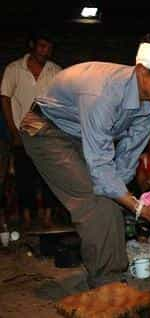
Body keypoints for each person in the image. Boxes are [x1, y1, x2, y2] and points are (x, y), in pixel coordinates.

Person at [19, 31, 150, 287]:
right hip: (45, 129)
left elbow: (129, 152)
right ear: (141, 71)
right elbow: (101, 169)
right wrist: (137, 207)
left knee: (110, 196)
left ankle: (110, 270)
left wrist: (123, 195)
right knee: (96, 200)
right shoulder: (102, 92)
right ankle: (109, 285)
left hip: (81, 134)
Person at [1, 31, 62, 228]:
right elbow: (5, 98)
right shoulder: (14, 69)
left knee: (49, 177)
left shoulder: (56, 71)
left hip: (47, 133)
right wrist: (13, 131)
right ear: (32, 45)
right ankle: (27, 218)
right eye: (42, 46)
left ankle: (46, 216)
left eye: (49, 48)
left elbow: (62, 103)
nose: (46, 51)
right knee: (24, 178)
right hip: (22, 132)